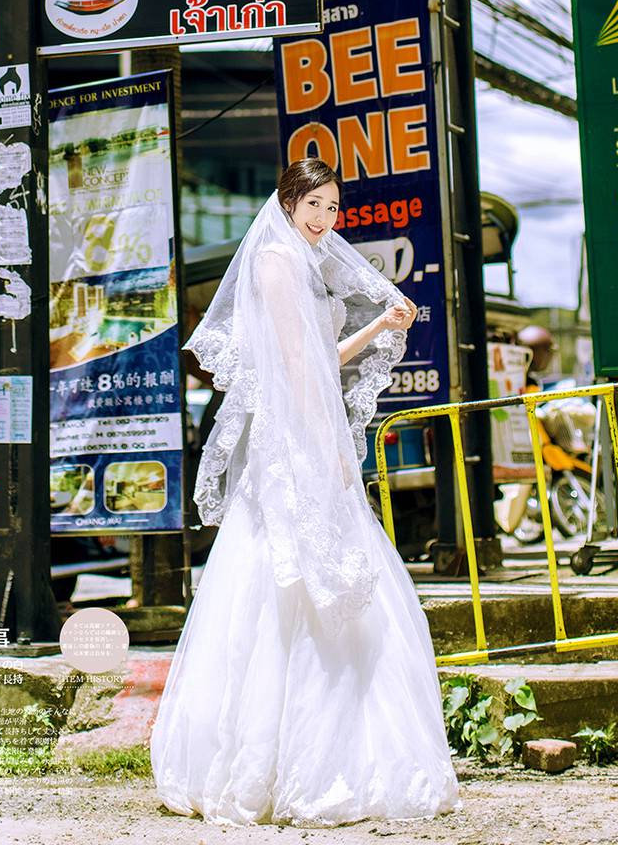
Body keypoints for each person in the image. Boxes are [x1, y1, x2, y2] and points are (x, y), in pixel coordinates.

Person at [150, 159, 459, 826]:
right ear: (288, 202)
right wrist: (331, 451)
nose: (325, 218)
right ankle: (278, 763)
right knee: (283, 586)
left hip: (302, 436)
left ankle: (331, 754)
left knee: (321, 587)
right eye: (314, 204)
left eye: (333, 208)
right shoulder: (275, 263)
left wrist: (378, 327)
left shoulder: (298, 261)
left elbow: (319, 361)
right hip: (292, 447)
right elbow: (295, 371)